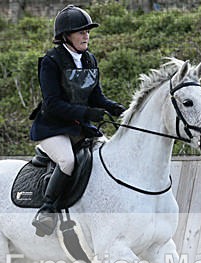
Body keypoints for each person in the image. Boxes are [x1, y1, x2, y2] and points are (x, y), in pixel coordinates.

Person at [29, 4, 126, 237]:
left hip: (80, 126)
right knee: (67, 162)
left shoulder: (90, 59)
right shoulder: (51, 62)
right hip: (53, 128)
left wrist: (115, 108)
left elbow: (96, 96)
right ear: (66, 36)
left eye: (88, 31)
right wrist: (86, 114)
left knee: (107, 155)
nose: (86, 35)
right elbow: (52, 103)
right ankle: (47, 210)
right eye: (81, 31)